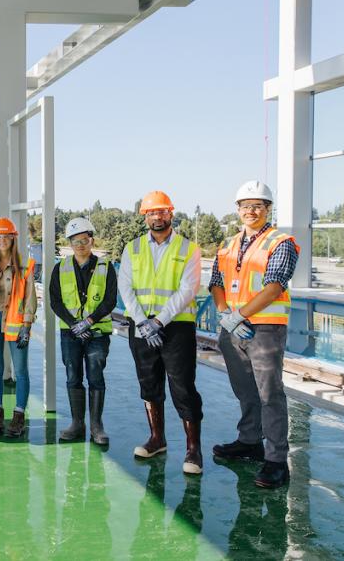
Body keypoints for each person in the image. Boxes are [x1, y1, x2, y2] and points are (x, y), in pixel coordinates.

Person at [210, 181, 299, 489]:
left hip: (265, 330)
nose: (251, 211)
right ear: (237, 210)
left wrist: (239, 315)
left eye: (258, 205)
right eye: (245, 206)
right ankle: (250, 442)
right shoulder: (228, 243)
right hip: (232, 328)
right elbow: (216, 281)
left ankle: (276, 461)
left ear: (268, 209)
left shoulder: (280, 242)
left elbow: (274, 286)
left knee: (270, 394)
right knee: (245, 391)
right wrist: (225, 314)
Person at [118, 191, 204, 475]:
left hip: (176, 326)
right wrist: (143, 322)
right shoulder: (132, 248)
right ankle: (157, 439)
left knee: (182, 386)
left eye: (162, 211)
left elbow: (188, 288)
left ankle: (193, 450)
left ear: (171, 213)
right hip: (142, 326)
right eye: (152, 212)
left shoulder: (188, 248)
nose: (157, 216)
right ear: (144, 217)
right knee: (149, 382)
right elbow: (126, 288)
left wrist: (160, 321)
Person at [48, 217, 118, 445]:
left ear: (92, 240)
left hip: (96, 332)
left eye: (84, 240)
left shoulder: (105, 268)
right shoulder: (61, 268)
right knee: (72, 375)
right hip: (70, 333)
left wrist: (87, 322)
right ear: (70, 243)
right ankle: (77, 423)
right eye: (75, 241)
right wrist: (73, 324)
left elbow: (109, 300)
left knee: (96, 376)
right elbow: (55, 301)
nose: (80, 245)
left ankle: (97, 426)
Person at [0, 217, 38, 438]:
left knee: (20, 370)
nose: (2, 240)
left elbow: (31, 294)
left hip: (16, 319)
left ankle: (18, 417)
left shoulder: (25, 264)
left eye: (6, 236)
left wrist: (27, 324)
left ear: (13, 239)